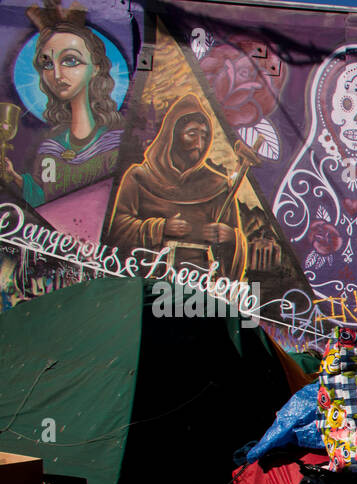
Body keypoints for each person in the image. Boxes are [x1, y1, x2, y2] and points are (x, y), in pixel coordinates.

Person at [107, 93, 247, 278]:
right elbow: (118, 230)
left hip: (197, 286)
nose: (199, 143)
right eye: (192, 134)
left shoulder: (218, 186)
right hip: (148, 279)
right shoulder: (139, 177)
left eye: (204, 136)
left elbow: (235, 240)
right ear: (171, 135)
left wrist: (229, 236)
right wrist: (160, 228)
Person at [2, 1, 123, 206]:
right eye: (48, 63)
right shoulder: (51, 147)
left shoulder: (116, 144)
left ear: (95, 67)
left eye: (70, 60)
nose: (57, 75)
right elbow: (43, 200)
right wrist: (14, 177)